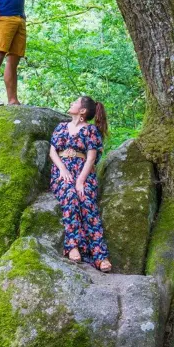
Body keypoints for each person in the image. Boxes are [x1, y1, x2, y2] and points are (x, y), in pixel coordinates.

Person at [48, 96, 112, 272]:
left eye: (75, 102)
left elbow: (91, 158)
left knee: (87, 202)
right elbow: (53, 152)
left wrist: (81, 181)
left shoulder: (91, 130)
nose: (71, 103)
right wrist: (63, 170)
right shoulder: (61, 127)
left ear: (82, 111)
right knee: (70, 196)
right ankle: (73, 246)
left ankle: (100, 256)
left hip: (83, 173)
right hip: (62, 172)